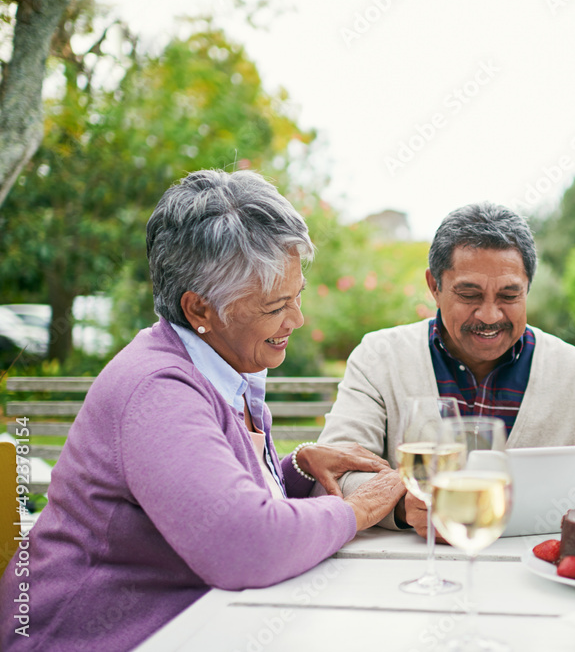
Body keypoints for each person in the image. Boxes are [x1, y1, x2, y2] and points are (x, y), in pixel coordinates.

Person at [0, 170, 404, 651]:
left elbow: (209, 493)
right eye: (276, 306)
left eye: (297, 296)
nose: (297, 319)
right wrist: (353, 510)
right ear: (200, 310)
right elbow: (244, 546)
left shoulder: (220, 363)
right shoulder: (158, 391)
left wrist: (294, 469)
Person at [299, 201, 575, 535]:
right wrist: (402, 507)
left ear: (528, 286)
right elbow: (335, 473)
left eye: (509, 295)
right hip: (402, 573)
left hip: (533, 573)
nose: (489, 315)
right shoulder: (379, 357)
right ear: (434, 286)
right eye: (469, 294)